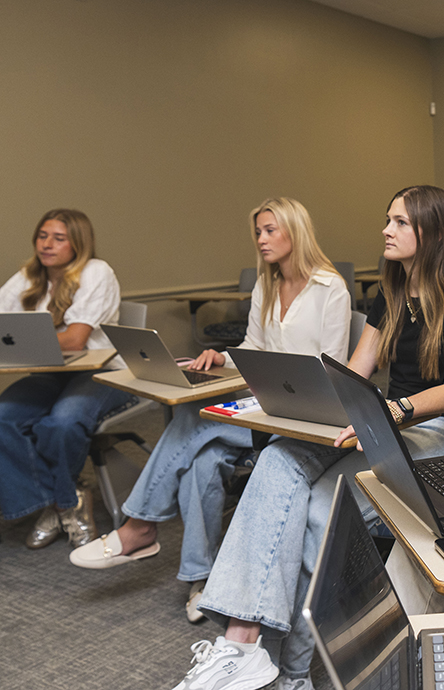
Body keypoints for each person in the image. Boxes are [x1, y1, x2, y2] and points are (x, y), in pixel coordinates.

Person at [169, 185, 444, 690]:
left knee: (321, 509)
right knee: (277, 459)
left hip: (443, 431)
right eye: (387, 220)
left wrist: (394, 409)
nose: (386, 230)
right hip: (386, 423)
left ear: (430, 232)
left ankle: (290, 676)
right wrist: (307, 397)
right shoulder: (392, 295)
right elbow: (351, 371)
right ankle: (242, 641)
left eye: (400, 222)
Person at [68, 198, 352, 624]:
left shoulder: (332, 288)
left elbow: (336, 367)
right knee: (202, 462)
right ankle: (201, 580)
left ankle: (139, 526)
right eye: (257, 231)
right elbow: (256, 348)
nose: (261, 239)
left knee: (191, 420)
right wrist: (223, 357)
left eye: (270, 230)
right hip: (263, 402)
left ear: (296, 231)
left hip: (304, 413)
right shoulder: (266, 285)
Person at [0, 209, 133, 550]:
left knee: (61, 422)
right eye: (42, 236)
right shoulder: (28, 276)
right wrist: (18, 340)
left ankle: (61, 504)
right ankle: (62, 498)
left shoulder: (96, 271)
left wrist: (16, 342)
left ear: (77, 243)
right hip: (50, 372)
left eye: (58, 238)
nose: (47, 245)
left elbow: (75, 340)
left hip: (102, 372)